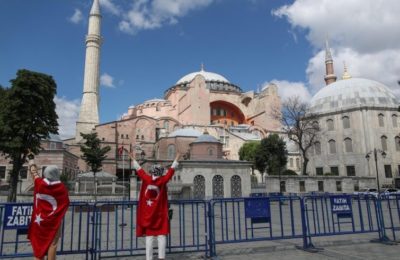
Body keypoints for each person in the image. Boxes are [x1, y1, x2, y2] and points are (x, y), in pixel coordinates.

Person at [130, 152, 180, 260]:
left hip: (148, 214)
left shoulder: (146, 179)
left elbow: (139, 170)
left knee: (149, 237)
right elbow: (171, 171)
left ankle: (149, 258)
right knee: (161, 236)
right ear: (161, 172)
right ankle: (161, 257)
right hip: (160, 214)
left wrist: (133, 159)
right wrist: (176, 158)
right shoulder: (163, 180)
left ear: (152, 171)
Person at [27, 153, 70, 260]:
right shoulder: (61, 188)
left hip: (39, 220)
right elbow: (65, 203)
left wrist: (31, 160)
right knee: (53, 244)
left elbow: (34, 173)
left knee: (38, 243)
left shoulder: (40, 183)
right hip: (54, 221)